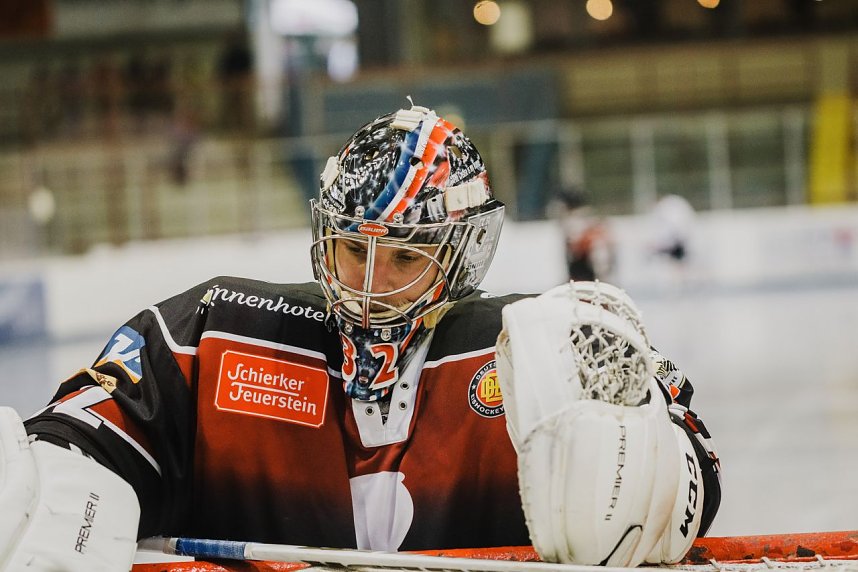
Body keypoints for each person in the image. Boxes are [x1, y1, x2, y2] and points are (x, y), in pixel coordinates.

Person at [0, 105, 721, 571]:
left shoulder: (542, 348)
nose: (369, 281)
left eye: (405, 255)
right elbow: (82, 433)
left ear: (458, 253)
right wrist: (54, 482)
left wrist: (649, 463)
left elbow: (690, 447)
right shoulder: (210, 333)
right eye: (352, 248)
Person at [548, 187, 614, 282]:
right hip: (587, 278)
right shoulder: (591, 220)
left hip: (587, 280)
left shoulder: (578, 223)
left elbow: (597, 254)